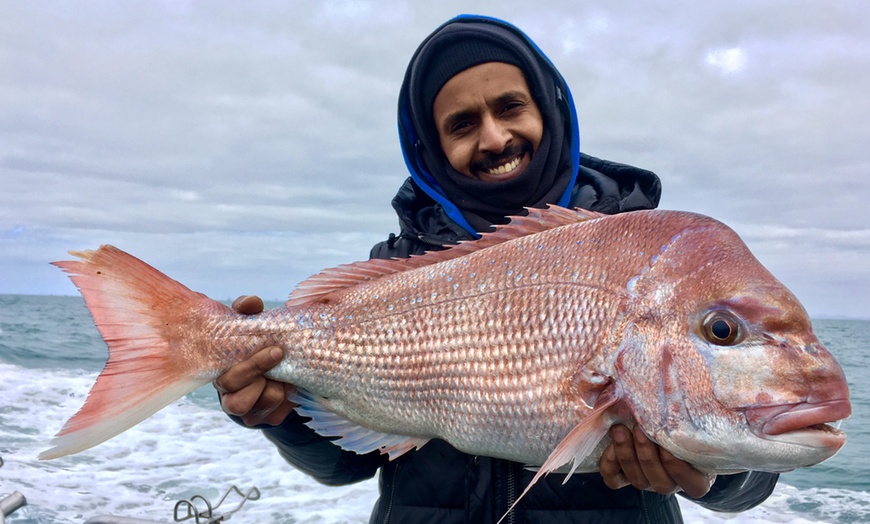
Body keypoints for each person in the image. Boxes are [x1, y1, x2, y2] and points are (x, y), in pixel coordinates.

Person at [212, 15, 779, 523]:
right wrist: (277, 413)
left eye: (511, 107)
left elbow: (756, 471)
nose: (494, 137)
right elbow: (345, 468)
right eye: (461, 124)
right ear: (430, 148)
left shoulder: (651, 256)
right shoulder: (393, 272)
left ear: (548, 112)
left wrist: (714, 474)